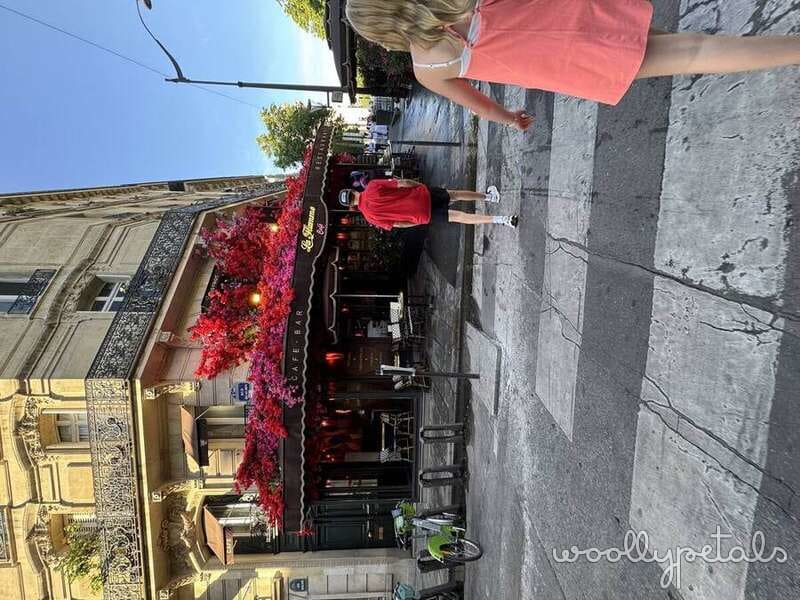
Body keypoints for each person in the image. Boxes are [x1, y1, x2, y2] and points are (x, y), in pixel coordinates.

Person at [345, 0, 800, 130]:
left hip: (576, 62)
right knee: (688, 43)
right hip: (582, 13)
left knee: (695, 51)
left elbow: (478, 104)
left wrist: (509, 117)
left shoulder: (429, 67)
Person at [339, 179, 518, 229]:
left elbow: (398, 224)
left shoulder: (370, 218)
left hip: (422, 215)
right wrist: (419, 186)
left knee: (461, 217)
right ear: (353, 191)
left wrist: (418, 221)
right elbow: (402, 183)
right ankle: (489, 197)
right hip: (422, 196)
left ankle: (503, 220)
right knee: (454, 195)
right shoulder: (371, 187)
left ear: (352, 207)